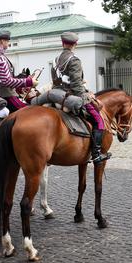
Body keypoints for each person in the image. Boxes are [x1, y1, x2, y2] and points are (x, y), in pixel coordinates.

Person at [52, 31, 109, 165]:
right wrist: (87, 95)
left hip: (57, 94)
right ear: (75, 44)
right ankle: (96, 155)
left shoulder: (55, 60)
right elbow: (77, 85)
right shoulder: (74, 60)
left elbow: (56, 80)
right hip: (72, 96)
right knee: (99, 121)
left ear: (62, 43)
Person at [0, 30, 35, 112]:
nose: (8, 43)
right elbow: (7, 81)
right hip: (5, 93)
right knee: (29, 112)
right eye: (7, 41)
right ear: (2, 41)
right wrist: (29, 82)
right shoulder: (0, 58)